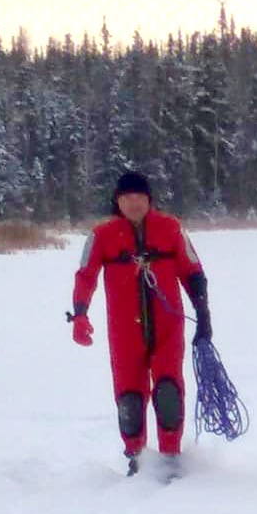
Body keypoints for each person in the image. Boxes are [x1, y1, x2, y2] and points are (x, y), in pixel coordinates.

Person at [68, 171, 212, 478]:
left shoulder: (171, 228)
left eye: (140, 198)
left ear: (150, 200)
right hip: (124, 333)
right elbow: (85, 275)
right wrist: (80, 314)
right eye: (127, 198)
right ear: (117, 201)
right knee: (130, 398)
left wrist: (204, 314)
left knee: (168, 391)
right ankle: (136, 458)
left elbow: (193, 271)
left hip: (168, 327)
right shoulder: (102, 235)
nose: (134, 204)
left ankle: (171, 458)